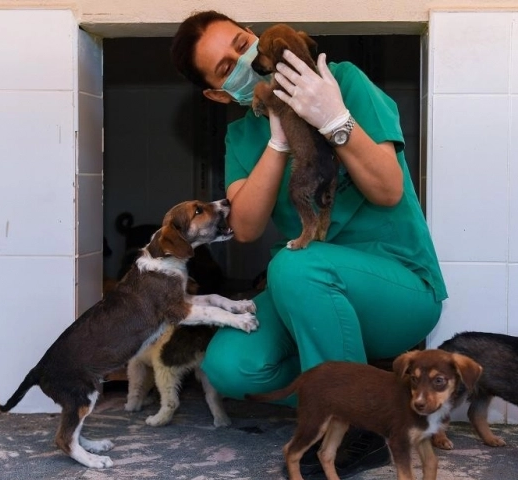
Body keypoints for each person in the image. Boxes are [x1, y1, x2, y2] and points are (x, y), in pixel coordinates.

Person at [171, 11, 447, 478]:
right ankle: (380, 397)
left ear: (257, 36)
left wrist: (334, 118)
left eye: (242, 43)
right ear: (219, 94)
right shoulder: (244, 132)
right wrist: (279, 140)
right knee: (230, 365)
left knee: (296, 266)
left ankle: (358, 427)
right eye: (225, 68)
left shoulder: (341, 81)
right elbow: (248, 227)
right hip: (312, 289)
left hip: (398, 287)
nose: (243, 59)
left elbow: (388, 190)